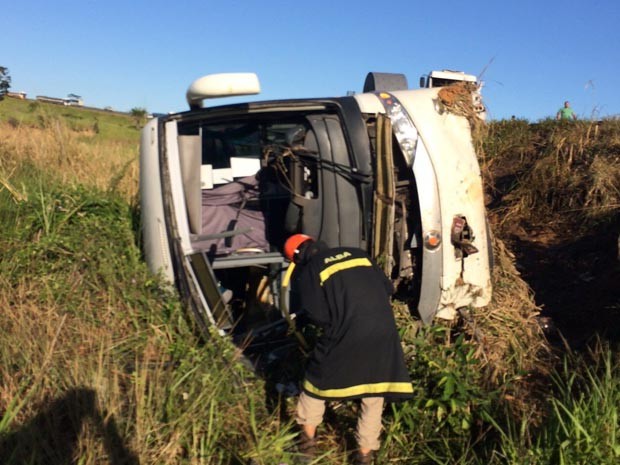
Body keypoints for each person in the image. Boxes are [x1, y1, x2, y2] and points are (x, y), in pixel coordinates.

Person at [284, 234, 413, 465]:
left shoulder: (311, 270)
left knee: (315, 385)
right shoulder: (358, 254)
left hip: (347, 333)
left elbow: (317, 315)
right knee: (374, 392)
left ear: (296, 258)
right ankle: (364, 456)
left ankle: (305, 449)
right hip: (384, 332)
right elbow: (387, 289)